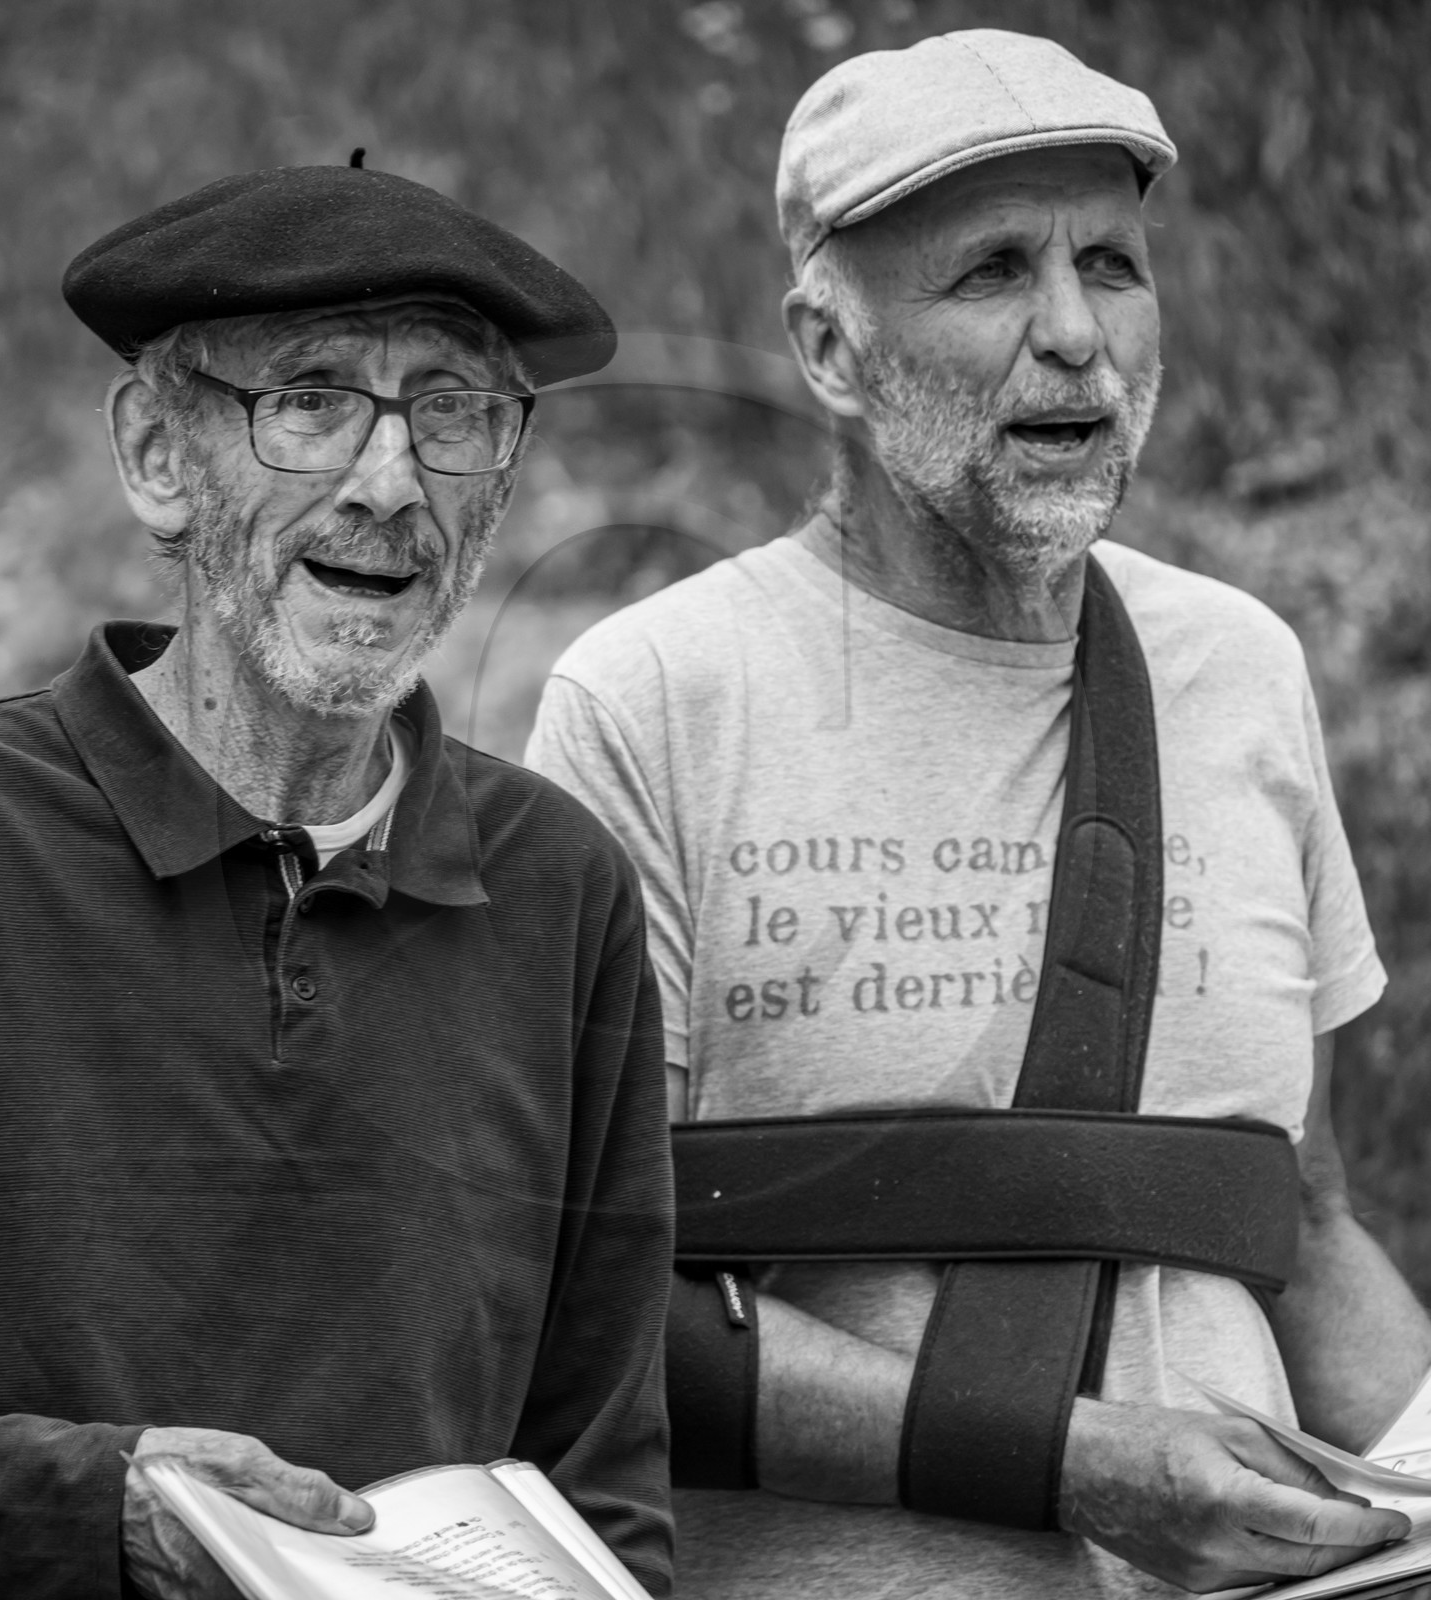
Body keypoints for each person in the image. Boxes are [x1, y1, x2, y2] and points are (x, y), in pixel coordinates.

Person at [527, 29, 1430, 1600]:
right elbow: (576, 1291)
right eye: (994, 273)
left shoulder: (1242, 669)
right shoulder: (650, 701)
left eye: (1114, 264)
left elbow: (1312, 1213)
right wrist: (1072, 1462)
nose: (1077, 335)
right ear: (828, 348)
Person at [0, 162, 673, 1600]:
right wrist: (105, 1509)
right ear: (160, 456)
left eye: (453, 414)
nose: (391, 483)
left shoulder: (563, 890)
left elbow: (606, 1488)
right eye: (313, 401)